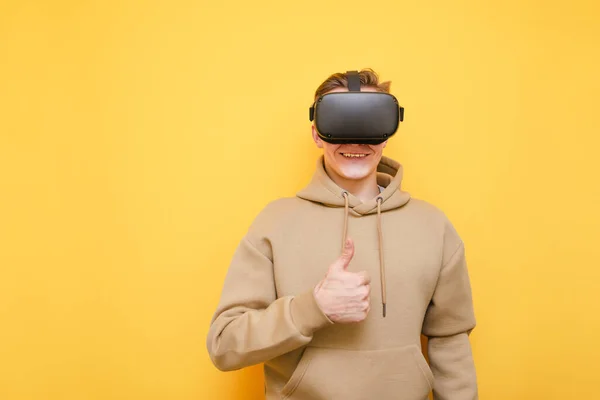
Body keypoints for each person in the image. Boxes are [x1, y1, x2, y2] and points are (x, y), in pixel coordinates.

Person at [206, 69, 478, 400]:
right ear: (317, 134)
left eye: (368, 123)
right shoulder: (274, 223)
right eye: (341, 124)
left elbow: (451, 343)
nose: (355, 142)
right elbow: (224, 344)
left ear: (387, 132)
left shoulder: (433, 226)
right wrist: (312, 308)